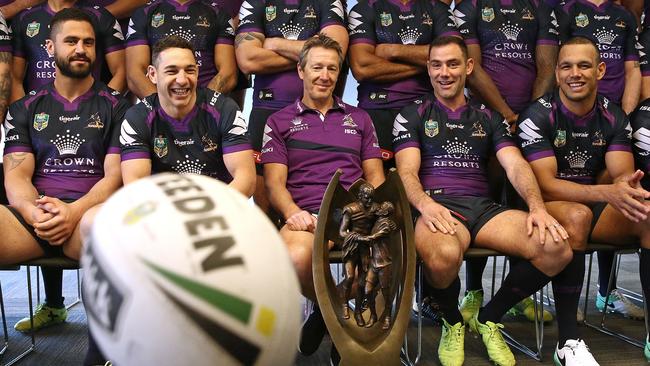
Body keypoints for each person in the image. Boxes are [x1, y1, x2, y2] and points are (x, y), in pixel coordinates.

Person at [392, 36, 580, 366]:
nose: (444, 73)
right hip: (438, 205)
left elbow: (515, 164)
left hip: (483, 208)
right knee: (442, 256)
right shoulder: (411, 114)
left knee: (556, 247)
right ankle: (453, 322)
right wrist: (425, 205)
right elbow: (406, 172)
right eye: (436, 65)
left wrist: (537, 207)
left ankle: (489, 317)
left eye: (452, 64)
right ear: (428, 69)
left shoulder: (488, 117)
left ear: (468, 67)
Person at [517, 36, 650, 363]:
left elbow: (620, 174)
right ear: (557, 73)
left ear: (601, 70)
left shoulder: (614, 116)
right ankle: (569, 343)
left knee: (648, 215)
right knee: (576, 216)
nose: (575, 73)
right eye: (566, 66)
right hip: (547, 208)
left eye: (584, 66)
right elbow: (546, 186)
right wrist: (606, 192)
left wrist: (626, 188)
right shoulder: (536, 115)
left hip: (591, 205)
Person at [0, 7, 128, 336]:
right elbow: (16, 174)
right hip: (34, 217)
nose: (80, 49)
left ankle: (107, 347)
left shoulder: (118, 106)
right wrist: (32, 210)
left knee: (108, 230)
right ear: (50, 48)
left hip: (87, 216)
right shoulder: (25, 107)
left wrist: (72, 212)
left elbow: (114, 177)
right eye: (70, 41)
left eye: (88, 42)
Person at [261, 34, 384, 359]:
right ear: (301, 71)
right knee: (295, 258)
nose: (325, 75)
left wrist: (374, 213)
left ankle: (324, 318)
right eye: (317, 67)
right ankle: (337, 317)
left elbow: (375, 177)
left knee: (386, 263)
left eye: (332, 68)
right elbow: (274, 185)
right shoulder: (278, 122)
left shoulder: (360, 119)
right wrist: (292, 213)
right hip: (306, 213)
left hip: (353, 213)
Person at [451, 0, 561, 323]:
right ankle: (474, 292)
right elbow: (472, 66)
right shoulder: (469, 5)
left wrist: (528, 117)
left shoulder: (541, 6)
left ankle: (518, 296)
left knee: (524, 203)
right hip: (483, 117)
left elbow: (546, 66)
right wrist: (505, 114)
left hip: (532, 120)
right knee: (483, 201)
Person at [235, 0, 348, 212]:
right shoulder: (254, 2)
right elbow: (248, 59)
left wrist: (275, 43)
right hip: (267, 109)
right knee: (265, 200)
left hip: (318, 111)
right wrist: (313, 54)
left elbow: (336, 52)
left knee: (313, 187)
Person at [119, 35, 255, 195]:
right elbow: (136, 189)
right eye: (172, 71)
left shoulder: (224, 109)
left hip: (219, 206)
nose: (182, 80)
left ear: (197, 72)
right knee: (93, 216)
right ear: (153, 74)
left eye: (189, 70)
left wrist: (209, 211)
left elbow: (246, 180)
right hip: (162, 209)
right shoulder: (137, 117)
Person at [347, 0, 459, 167]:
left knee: (431, 182)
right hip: (378, 110)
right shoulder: (364, 8)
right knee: (380, 186)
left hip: (431, 110)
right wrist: (429, 64)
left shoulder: (437, 8)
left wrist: (392, 51)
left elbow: (454, 53)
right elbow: (363, 67)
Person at [10, 0, 127, 100]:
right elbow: (14, 78)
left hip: (91, 111)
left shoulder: (101, 16)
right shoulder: (24, 18)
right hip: (38, 114)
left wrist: (103, 106)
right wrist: (25, 113)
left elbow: (122, 71)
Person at [125, 0, 237, 99]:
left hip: (206, 103)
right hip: (159, 103)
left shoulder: (219, 13)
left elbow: (228, 73)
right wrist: (161, 108)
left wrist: (205, 106)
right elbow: (135, 73)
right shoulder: (143, 14)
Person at [556, 0, 640, 114]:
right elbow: (560, 66)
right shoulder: (567, 10)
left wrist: (626, 116)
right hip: (577, 108)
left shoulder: (625, 14)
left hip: (616, 108)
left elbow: (633, 70)